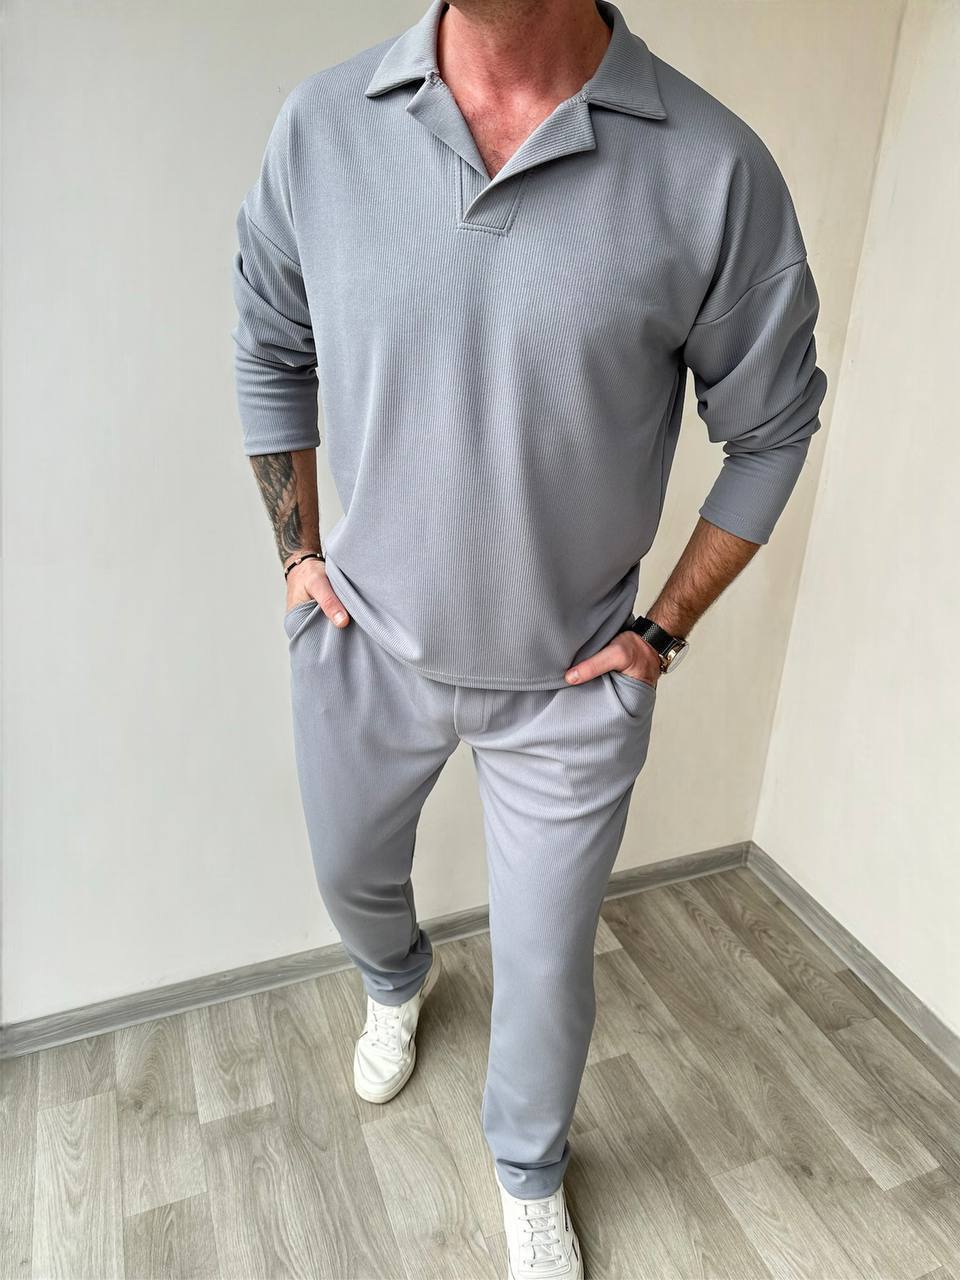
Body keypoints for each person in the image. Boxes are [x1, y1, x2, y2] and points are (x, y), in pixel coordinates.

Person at [231, 0, 827, 1274]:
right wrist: (296, 554)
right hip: (363, 642)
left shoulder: (712, 169)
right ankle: (395, 978)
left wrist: (664, 628)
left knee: (548, 970)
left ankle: (529, 1169)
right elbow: (271, 344)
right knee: (349, 877)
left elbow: (773, 428)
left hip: (569, 684)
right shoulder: (323, 128)